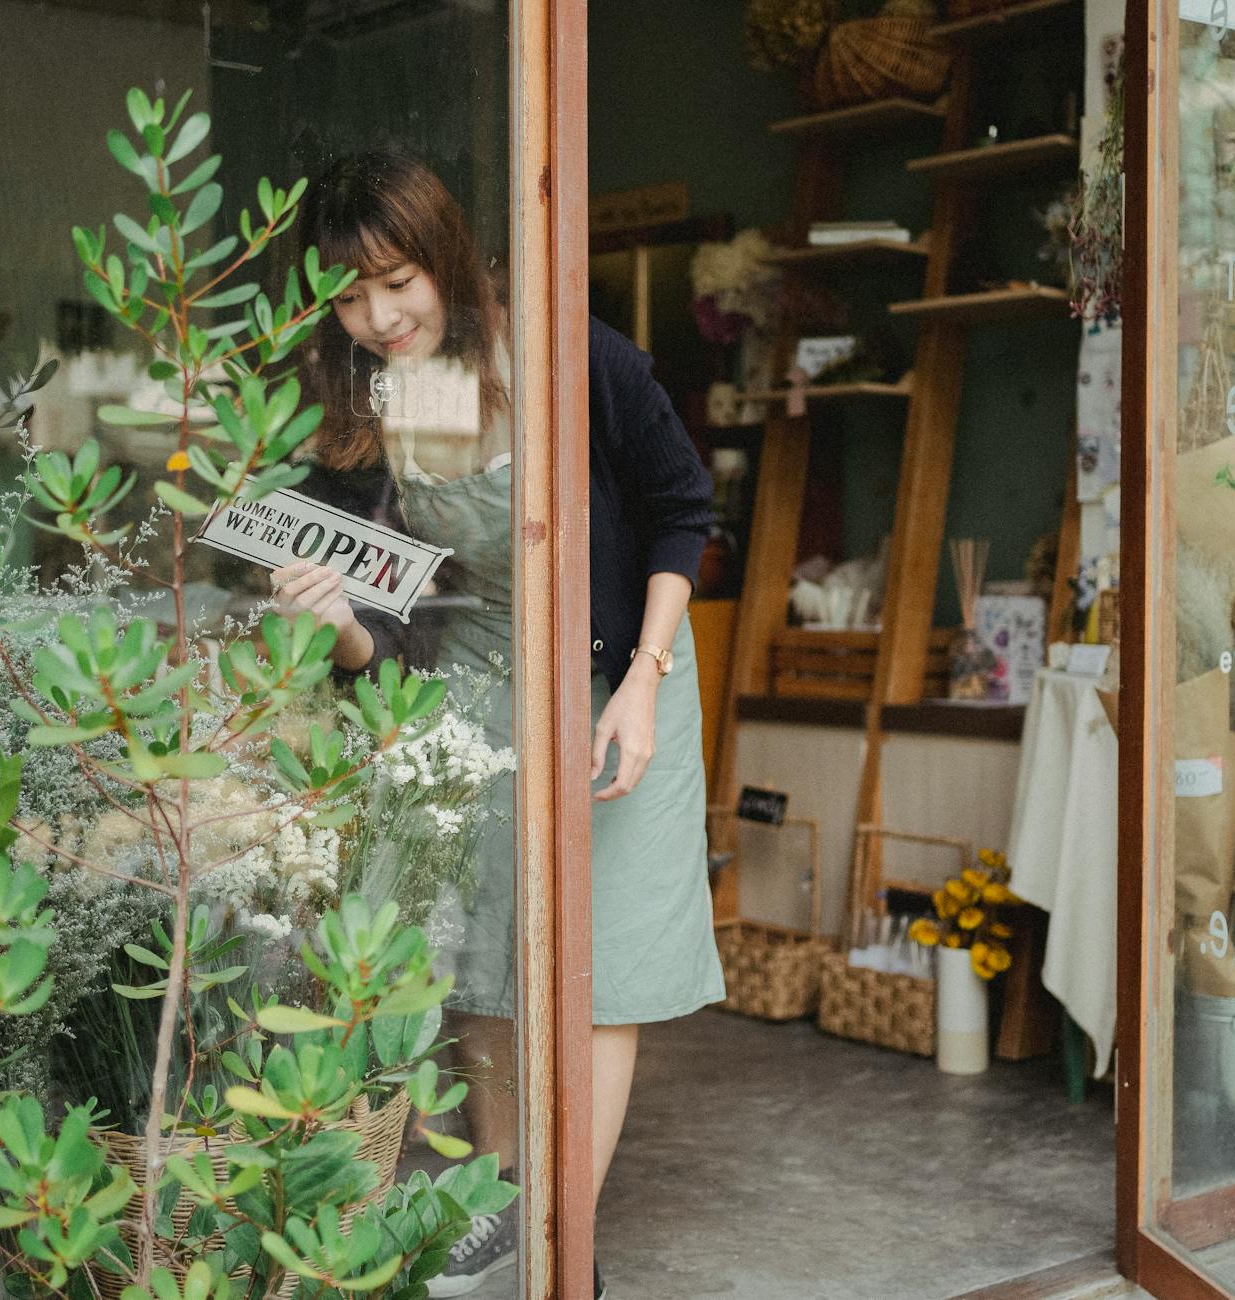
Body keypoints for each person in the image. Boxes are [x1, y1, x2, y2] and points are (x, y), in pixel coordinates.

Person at [272, 149, 725, 1299]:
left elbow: (684, 512)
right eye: (349, 293)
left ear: (448, 260)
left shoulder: (571, 356)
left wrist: (641, 686)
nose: (377, 317)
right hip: (471, 684)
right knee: (481, 956)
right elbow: (392, 630)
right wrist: (331, 621)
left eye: (398, 283)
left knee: (601, 964)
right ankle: (501, 1195)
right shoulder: (373, 396)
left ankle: (565, 1238)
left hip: (618, 676)